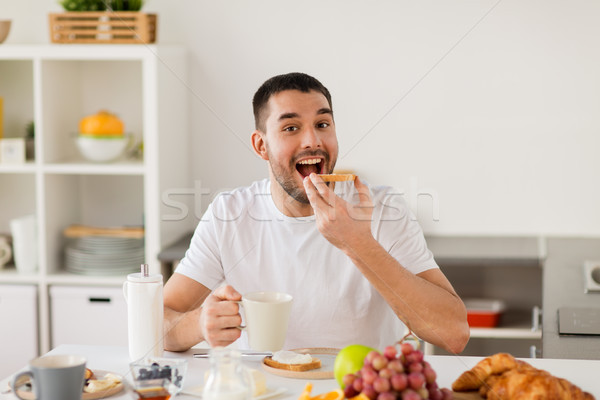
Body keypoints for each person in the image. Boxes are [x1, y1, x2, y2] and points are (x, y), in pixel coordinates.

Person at [163, 72, 469, 353]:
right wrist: (198, 324)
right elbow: (156, 324)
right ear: (261, 146)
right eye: (291, 128)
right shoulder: (227, 214)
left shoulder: (385, 210)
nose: (312, 141)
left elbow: (453, 333)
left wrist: (358, 244)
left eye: (323, 124)